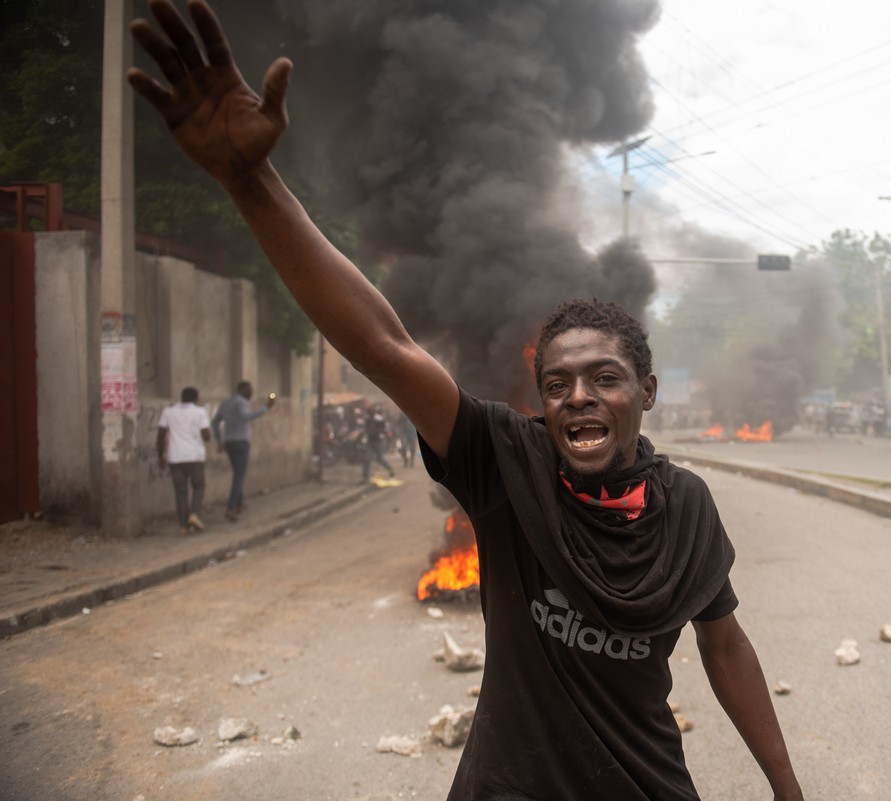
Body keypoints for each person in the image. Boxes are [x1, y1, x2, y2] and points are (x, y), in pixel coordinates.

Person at [128, 4, 806, 800]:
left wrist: (787, 788)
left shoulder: (686, 506)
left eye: (604, 378)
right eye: (556, 384)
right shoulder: (505, 464)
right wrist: (252, 181)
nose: (578, 397)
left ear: (646, 392)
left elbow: (724, 644)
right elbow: (386, 344)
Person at [210, 380, 275, 521]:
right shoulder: (241, 402)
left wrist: (220, 441)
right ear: (241, 390)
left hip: (229, 442)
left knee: (237, 473)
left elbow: (214, 422)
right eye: (249, 389)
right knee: (239, 476)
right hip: (241, 442)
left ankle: (239, 504)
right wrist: (266, 407)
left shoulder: (225, 403)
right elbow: (246, 416)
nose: (251, 392)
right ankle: (231, 508)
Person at [157, 386, 212, 534]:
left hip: (175, 457)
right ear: (195, 398)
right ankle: (194, 514)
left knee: (180, 491)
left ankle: (183, 525)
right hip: (194, 457)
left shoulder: (168, 412)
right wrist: (208, 434)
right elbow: (206, 435)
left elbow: (161, 435)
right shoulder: (201, 412)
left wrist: (160, 456)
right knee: (199, 486)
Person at [362, 404, 395, 481]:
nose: (370, 414)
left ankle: (390, 469)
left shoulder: (379, 419)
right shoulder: (367, 419)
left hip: (379, 441)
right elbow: (366, 428)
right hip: (370, 440)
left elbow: (384, 428)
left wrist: (379, 432)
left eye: (371, 412)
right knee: (367, 459)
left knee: (380, 458)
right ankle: (365, 477)